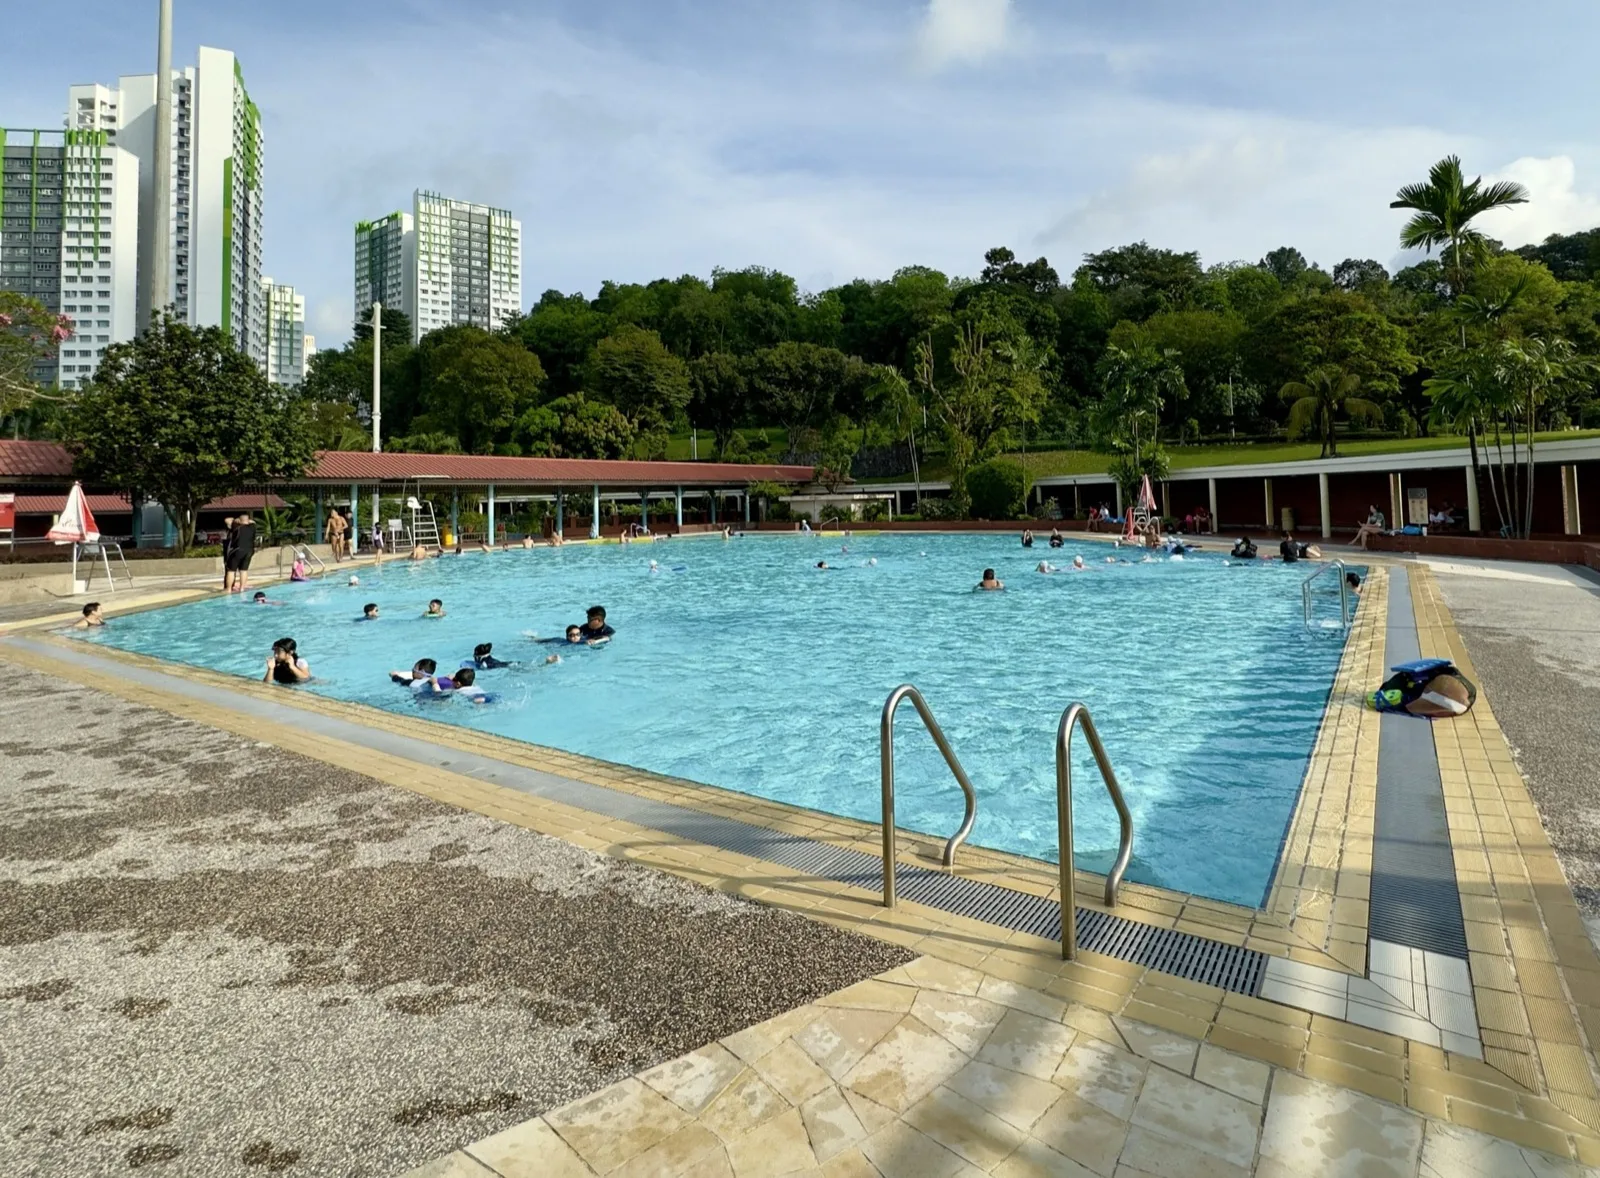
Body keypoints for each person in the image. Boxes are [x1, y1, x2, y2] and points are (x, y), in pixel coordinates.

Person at [226, 513, 257, 593]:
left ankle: (229, 589)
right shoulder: (252, 527)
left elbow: (227, 520)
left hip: (237, 550)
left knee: (231, 571)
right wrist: (246, 520)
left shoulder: (236, 526)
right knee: (244, 570)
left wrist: (236, 519)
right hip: (249, 551)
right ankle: (242, 588)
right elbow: (253, 521)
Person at [220, 516, 236, 591]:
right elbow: (226, 520)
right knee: (229, 570)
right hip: (229, 551)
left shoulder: (235, 530)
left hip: (231, 551)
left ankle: (230, 586)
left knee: (231, 570)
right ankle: (228, 586)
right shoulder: (231, 530)